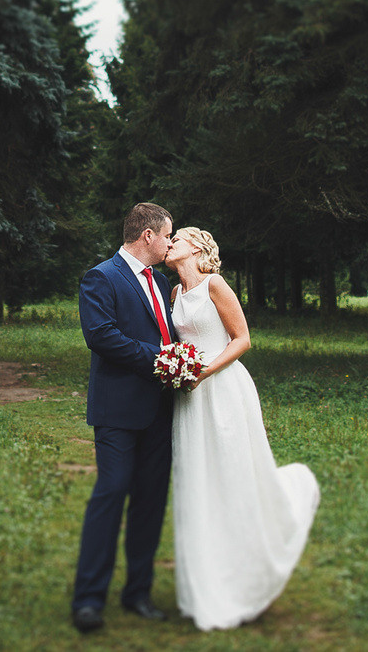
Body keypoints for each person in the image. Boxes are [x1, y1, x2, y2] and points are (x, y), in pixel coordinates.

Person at [164, 225, 320, 631]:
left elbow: (242, 339)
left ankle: (249, 575)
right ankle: (209, 578)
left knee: (232, 475)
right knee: (199, 481)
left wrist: (202, 370)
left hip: (223, 389)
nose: (170, 243)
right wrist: (179, 369)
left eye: (176, 238)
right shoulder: (175, 294)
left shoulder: (215, 285)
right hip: (190, 398)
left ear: (195, 247)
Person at [70, 202, 179, 633]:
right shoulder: (102, 276)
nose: (170, 243)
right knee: (111, 494)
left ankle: (138, 593)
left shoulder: (162, 279)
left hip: (160, 411)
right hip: (117, 411)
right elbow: (101, 336)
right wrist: (160, 360)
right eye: (167, 235)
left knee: (150, 503)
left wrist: (180, 362)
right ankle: (88, 601)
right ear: (148, 236)